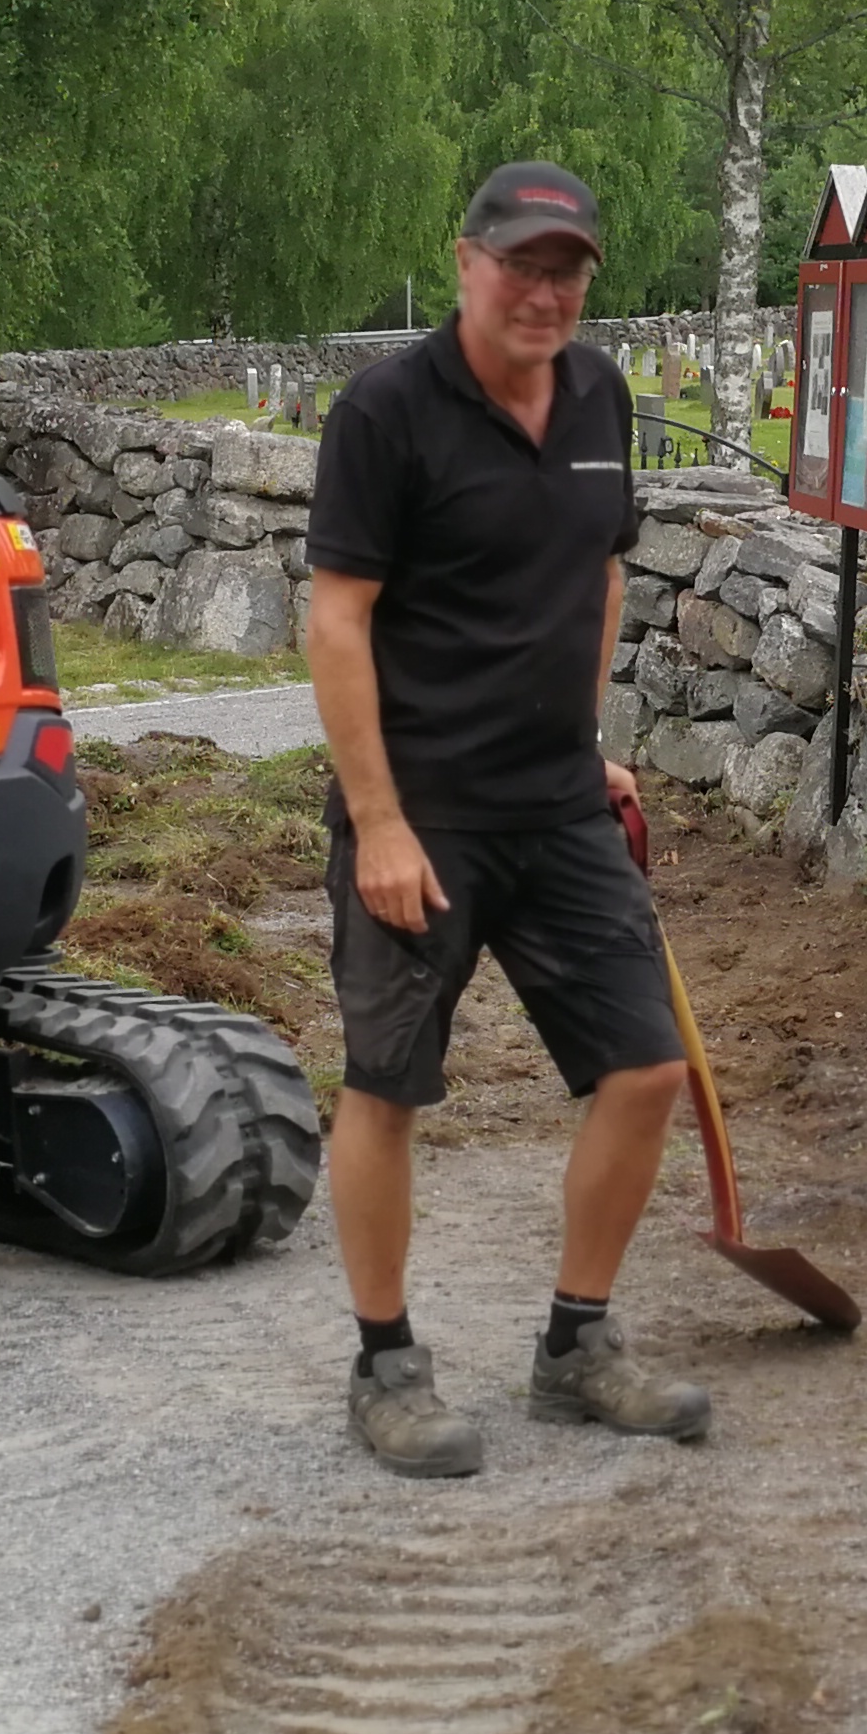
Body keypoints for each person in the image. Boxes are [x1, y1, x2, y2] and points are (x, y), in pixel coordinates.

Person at [302, 163, 709, 1479]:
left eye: (569, 268)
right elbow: (338, 619)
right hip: (422, 815)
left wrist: (590, 748)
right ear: (467, 262)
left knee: (645, 1070)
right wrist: (378, 823)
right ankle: (387, 1366)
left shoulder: (601, 396)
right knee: (389, 1085)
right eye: (522, 263)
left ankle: (575, 1349)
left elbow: (596, 575)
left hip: (555, 802)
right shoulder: (387, 413)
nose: (546, 291)